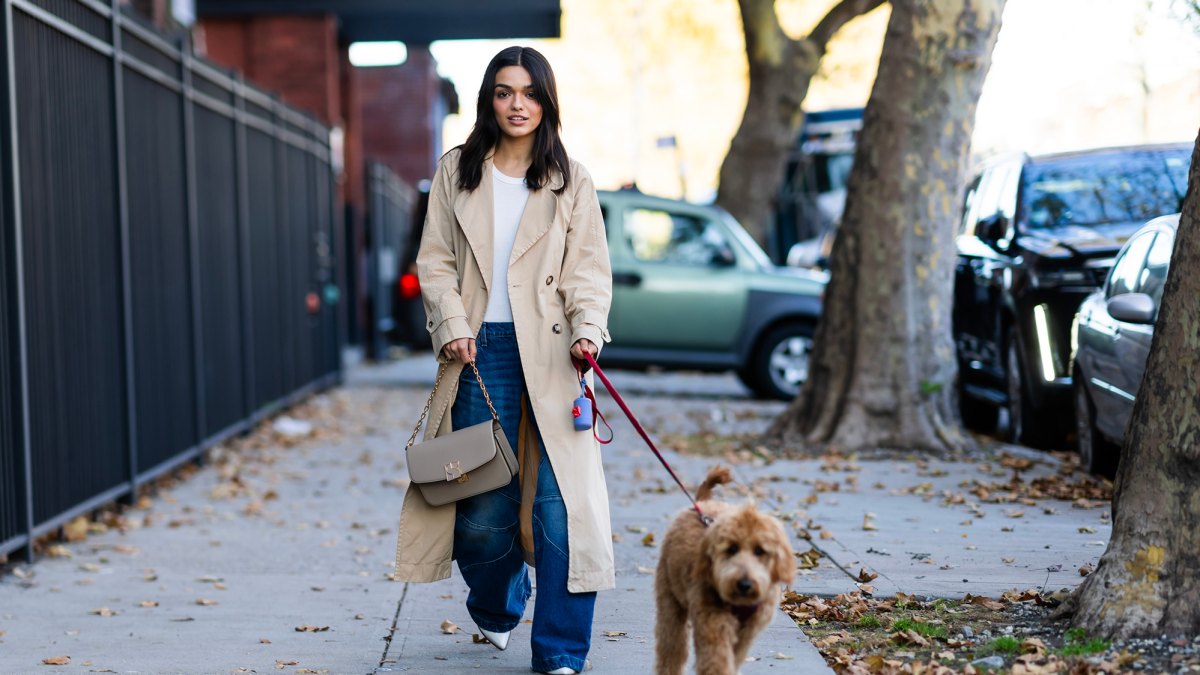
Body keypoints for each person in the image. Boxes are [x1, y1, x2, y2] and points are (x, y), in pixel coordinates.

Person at [393, 46, 614, 675]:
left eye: (530, 92)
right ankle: (498, 605)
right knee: (480, 516)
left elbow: (589, 274)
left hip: (553, 356)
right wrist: (453, 326)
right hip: (478, 352)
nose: (519, 104)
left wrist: (588, 333)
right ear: (490, 100)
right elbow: (434, 260)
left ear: (547, 101)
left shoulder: (571, 179)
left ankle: (561, 654)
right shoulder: (457, 171)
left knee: (561, 510)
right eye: (505, 92)